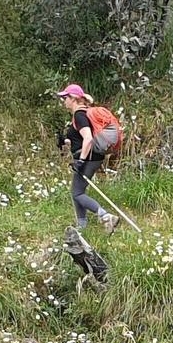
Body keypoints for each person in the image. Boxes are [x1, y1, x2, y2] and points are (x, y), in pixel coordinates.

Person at [56, 84, 119, 233]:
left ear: (74, 99)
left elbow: (88, 139)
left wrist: (81, 160)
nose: (64, 101)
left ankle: (105, 216)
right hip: (92, 156)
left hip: (88, 158)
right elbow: (81, 138)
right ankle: (82, 226)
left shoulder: (79, 115)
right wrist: (65, 141)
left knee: (77, 193)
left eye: (66, 98)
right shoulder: (83, 114)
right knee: (77, 192)